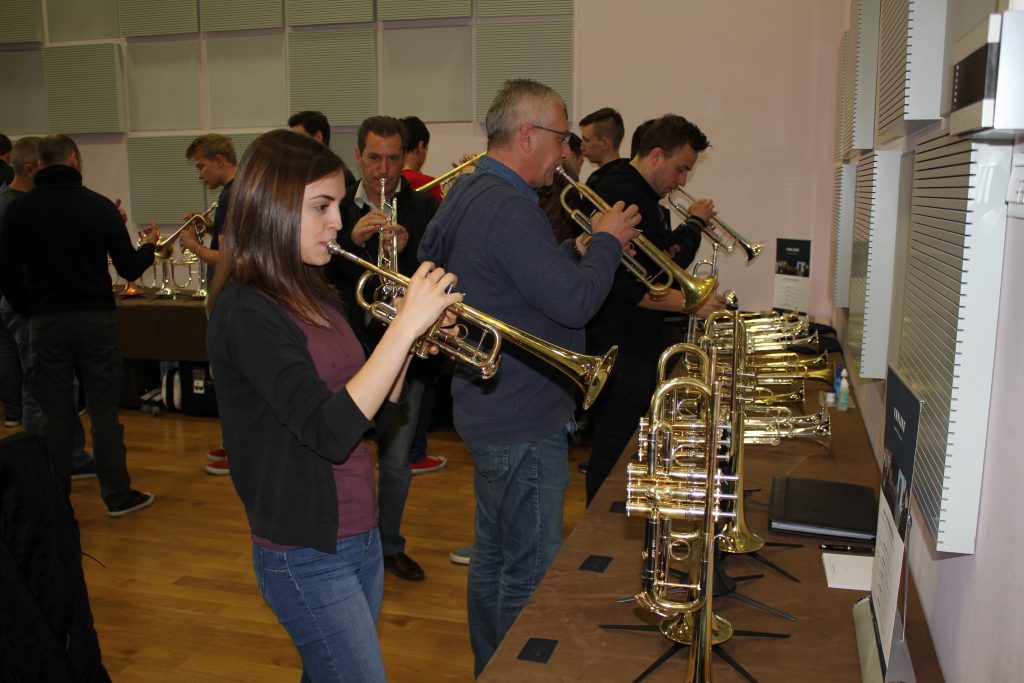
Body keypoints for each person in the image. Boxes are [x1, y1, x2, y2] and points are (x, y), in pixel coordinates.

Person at [205, 128, 460, 682]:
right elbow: (327, 430)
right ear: (270, 209)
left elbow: (370, 413)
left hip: (357, 531)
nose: (338, 223)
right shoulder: (246, 312)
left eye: (338, 206)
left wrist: (409, 346)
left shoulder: (314, 292)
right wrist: (405, 328)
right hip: (304, 550)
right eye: (321, 207)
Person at [419, 78, 640, 675]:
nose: (568, 152)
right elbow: (573, 305)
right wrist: (607, 244)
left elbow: (468, 273)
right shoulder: (509, 206)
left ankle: (490, 665)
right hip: (523, 413)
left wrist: (573, 252)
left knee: (492, 555)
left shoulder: (466, 192)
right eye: (563, 138)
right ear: (527, 136)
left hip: (489, 406)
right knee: (529, 572)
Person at [0, 134, 159, 516]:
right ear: (74, 159)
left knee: (54, 414)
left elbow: (6, 275)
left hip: (45, 322)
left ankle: (56, 500)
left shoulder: (20, 210)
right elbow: (129, 269)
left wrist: (31, 310)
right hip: (95, 320)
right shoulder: (98, 206)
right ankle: (117, 495)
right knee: (105, 411)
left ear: (40, 163)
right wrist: (149, 246)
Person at [583, 114, 727, 504]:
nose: (682, 181)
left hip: (636, 340)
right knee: (615, 446)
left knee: (626, 443)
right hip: (618, 342)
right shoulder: (622, 192)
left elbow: (657, 267)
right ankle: (596, 532)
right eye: (681, 169)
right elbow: (627, 286)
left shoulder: (642, 194)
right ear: (657, 155)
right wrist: (692, 304)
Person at [326, 115, 444, 581]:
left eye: (394, 158)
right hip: (347, 347)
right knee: (343, 454)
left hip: (403, 356)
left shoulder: (423, 208)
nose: (384, 169)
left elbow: (437, 276)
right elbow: (316, 271)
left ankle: (389, 545)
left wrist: (410, 249)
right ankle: (345, 544)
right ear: (358, 155)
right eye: (374, 157)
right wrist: (347, 240)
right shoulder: (336, 205)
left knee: (395, 464)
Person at [0, 136, 97, 478]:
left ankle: (70, 456)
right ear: (31, 168)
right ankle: (41, 462)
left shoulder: (23, 203)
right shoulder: (12, 206)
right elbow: (12, 270)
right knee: (39, 387)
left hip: (35, 306)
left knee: (58, 385)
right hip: (27, 307)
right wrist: (29, 308)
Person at [180, 134, 237, 475]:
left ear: (219, 160)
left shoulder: (231, 196)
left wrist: (192, 244)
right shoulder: (238, 191)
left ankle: (237, 449)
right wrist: (211, 227)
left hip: (230, 295)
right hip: (235, 296)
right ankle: (233, 444)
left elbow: (228, 257)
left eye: (201, 166)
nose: (199, 174)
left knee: (229, 377)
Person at [289, 110, 357, 186]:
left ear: (318, 137)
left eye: (299, 138)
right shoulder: (294, 175)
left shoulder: (342, 177)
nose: (293, 144)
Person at [399, 115, 444, 202]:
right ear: (421, 145)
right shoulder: (429, 183)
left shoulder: (390, 180)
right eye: (426, 148)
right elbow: (445, 213)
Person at [579, 107, 624, 187]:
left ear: (604, 143)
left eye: (586, 140)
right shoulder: (630, 175)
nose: (581, 147)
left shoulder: (600, 182)